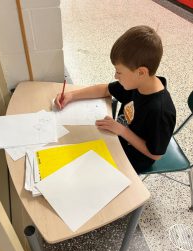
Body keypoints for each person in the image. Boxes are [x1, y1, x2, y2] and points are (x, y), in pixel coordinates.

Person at [55, 25, 176, 174]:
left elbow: (155, 154)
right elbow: (106, 89)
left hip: (133, 159)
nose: (116, 76)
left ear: (141, 72)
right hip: (116, 137)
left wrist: (122, 130)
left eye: (119, 72)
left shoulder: (160, 111)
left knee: (81, 170)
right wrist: (72, 95)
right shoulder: (136, 84)